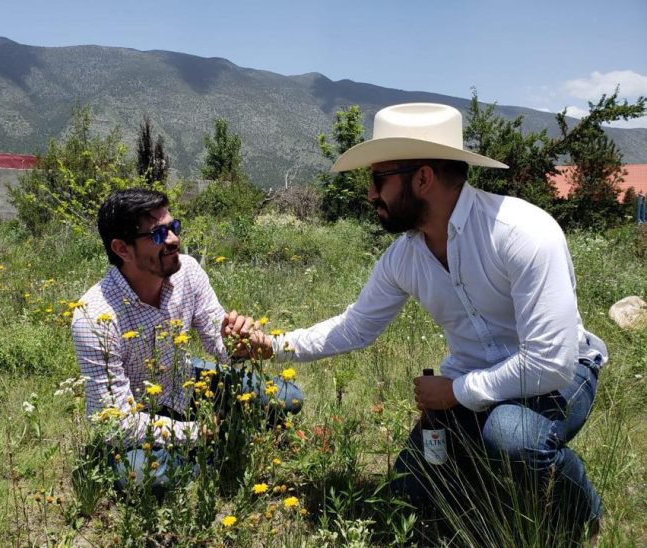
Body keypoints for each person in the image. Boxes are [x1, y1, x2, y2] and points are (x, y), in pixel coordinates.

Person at [226, 103, 607, 540]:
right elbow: (355, 326)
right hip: (466, 386)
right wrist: (272, 345)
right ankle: (485, 487)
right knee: (407, 495)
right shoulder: (405, 256)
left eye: (377, 179)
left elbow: (549, 363)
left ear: (423, 177)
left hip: (561, 376)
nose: (371, 194)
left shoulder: (522, 233)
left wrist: (457, 391)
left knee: (512, 437)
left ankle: (582, 513)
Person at [72, 188, 302, 484]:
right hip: (141, 415)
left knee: (288, 398)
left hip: (183, 383)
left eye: (173, 227)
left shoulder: (187, 272)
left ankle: (214, 451)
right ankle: (221, 451)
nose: (173, 240)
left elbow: (220, 346)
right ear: (122, 249)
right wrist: (195, 433)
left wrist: (238, 341)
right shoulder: (95, 317)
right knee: (144, 475)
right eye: (157, 234)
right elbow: (116, 421)